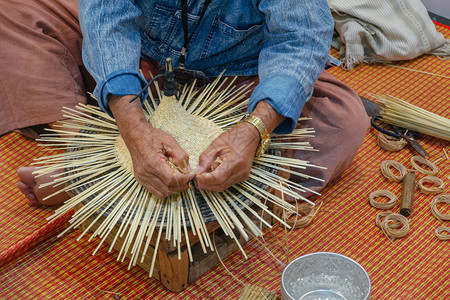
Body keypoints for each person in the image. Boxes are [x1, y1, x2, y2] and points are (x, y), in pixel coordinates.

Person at [3, 0, 369, 205]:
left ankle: (105, 183)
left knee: (344, 119)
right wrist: (132, 124)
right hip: (140, 64)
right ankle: (90, 155)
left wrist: (254, 129)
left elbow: (300, 38)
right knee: (16, 10)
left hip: (236, 79)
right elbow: (106, 18)